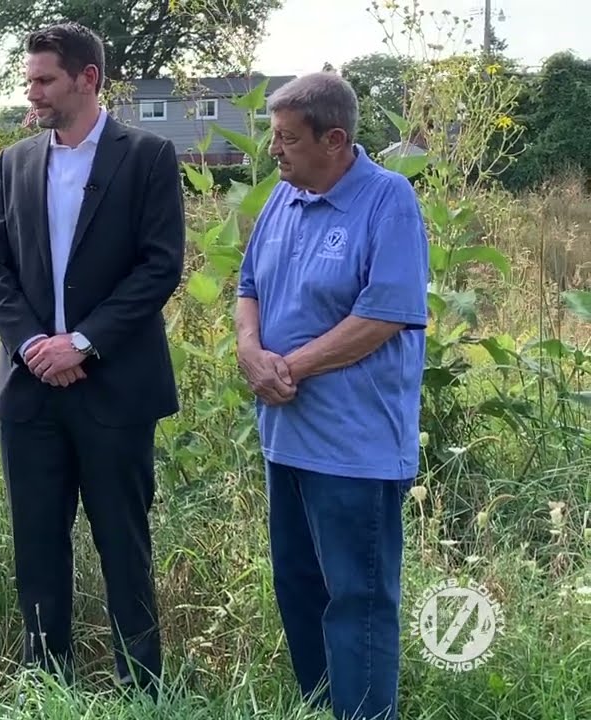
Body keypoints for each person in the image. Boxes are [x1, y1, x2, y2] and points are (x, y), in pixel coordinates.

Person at [0, 22, 186, 696]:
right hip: (30, 392)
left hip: (115, 388)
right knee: (37, 544)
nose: (30, 92)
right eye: (29, 79)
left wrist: (83, 341)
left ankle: (141, 688)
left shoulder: (148, 157)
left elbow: (160, 266)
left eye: (43, 80)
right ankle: (47, 686)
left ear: (87, 79)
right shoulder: (14, 162)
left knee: (124, 545)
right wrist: (35, 345)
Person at [235, 71, 428, 720]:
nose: (275, 150)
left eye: (288, 139)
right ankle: (322, 708)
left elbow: (384, 314)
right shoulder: (281, 201)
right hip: (285, 440)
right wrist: (249, 352)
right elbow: (248, 287)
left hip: (354, 448)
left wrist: (289, 367)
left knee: (358, 602)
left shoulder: (387, 200)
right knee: (299, 589)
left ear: (336, 139)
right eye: (273, 135)